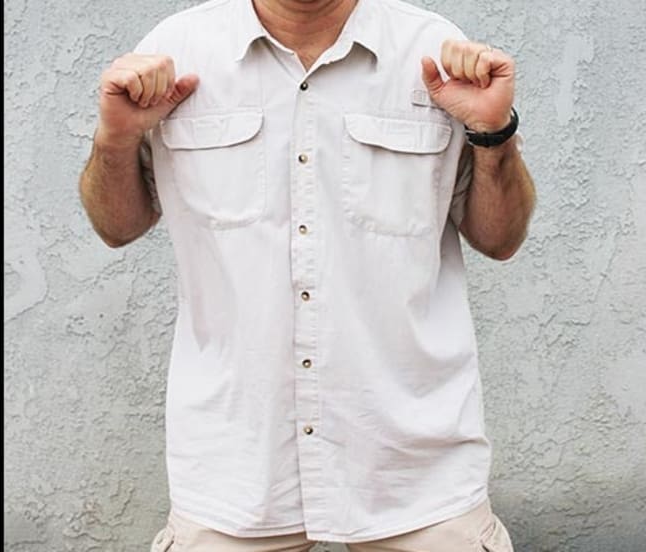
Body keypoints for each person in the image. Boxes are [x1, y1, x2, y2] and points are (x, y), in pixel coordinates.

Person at [79, 0, 535, 549]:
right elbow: (117, 228)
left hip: (415, 470)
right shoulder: (178, 50)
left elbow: (500, 239)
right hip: (234, 469)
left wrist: (492, 133)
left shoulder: (430, 50)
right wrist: (115, 140)